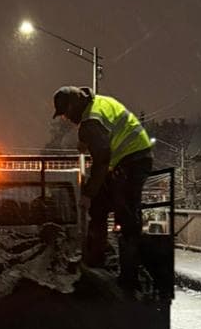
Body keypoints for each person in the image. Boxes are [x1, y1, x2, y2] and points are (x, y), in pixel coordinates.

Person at [52, 85, 154, 293]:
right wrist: (85, 141)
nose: (66, 119)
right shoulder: (97, 103)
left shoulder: (90, 121)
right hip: (129, 158)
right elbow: (104, 140)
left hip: (132, 160)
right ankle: (95, 263)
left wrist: (88, 194)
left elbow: (101, 159)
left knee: (125, 217)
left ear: (73, 105)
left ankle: (128, 281)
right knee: (99, 207)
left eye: (66, 114)